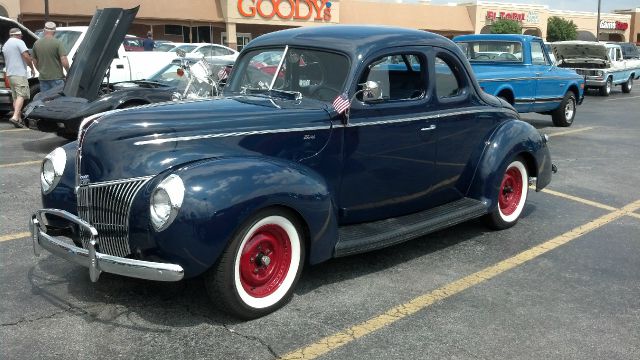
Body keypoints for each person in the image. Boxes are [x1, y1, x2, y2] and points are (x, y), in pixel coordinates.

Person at [2, 28, 35, 127]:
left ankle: (19, 119)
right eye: (21, 36)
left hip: (10, 74)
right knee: (21, 95)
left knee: (15, 96)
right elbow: (25, 55)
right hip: (19, 73)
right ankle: (15, 117)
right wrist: (31, 67)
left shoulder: (6, 44)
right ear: (18, 35)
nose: (21, 37)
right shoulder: (19, 42)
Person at [32, 21, 69, 93]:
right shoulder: (58, 43)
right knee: (58, 99)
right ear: (54, 31)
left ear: (44, 30)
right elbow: (64, 59)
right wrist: (68, 71)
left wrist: (40, 70)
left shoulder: (36, 43)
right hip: (57, 77)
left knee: (45, 100)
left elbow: (34, 60)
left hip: (43, 78)